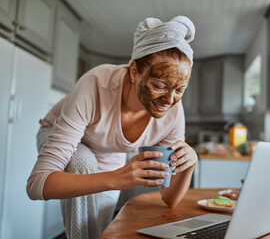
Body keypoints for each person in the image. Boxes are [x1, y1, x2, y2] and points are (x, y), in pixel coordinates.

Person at [26, 15, 198, 239]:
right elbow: (37, 183)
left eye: (179, 89)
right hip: (56, 133)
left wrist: (190, 164)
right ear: (134, 71)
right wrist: (117, 178)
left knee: (99, 229)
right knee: (82, 160)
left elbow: (169, 197)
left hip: (110, 153)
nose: (168, 100)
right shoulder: (96, 84)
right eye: (159, 85)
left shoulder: (173, 112)